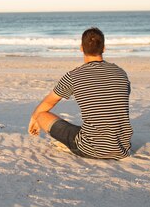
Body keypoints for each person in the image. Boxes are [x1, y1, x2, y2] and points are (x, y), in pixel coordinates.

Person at [28, 27, 132, 159]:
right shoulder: (121, 73)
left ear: (81, 48)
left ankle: (72, 145)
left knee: (42, 115)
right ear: (104, 48)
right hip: (121, 147)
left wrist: (34, 117)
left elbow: (49, 102)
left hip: (89, 148)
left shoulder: (74, 75)